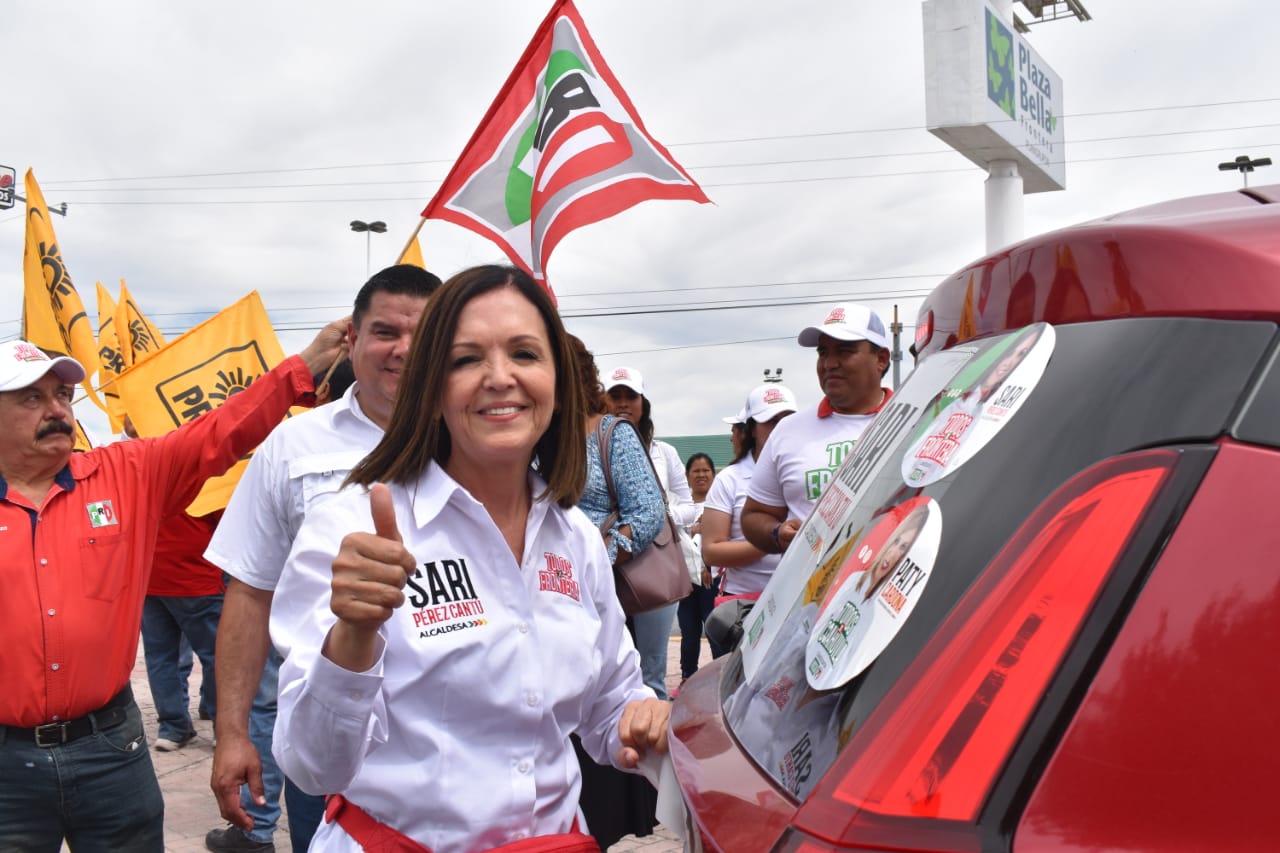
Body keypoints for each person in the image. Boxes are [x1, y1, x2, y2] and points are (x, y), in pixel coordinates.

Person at [271, 264, 669, 852]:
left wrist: (646, 720)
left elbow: (611, 703)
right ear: (431, 390)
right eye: (466, 360)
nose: (499, 378)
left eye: (526, 354)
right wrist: (352, 639)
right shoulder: (352, 528)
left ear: (557, 383)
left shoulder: (576, 538)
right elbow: (311, 767)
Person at [0, 328, 342, 853]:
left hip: (110, 751)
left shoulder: (126, 473)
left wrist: (309, 362)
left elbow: (220, 431)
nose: (58, 410)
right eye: (32, 398)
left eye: (62, 395)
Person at [205, 264, 441, 853]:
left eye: (424, 333)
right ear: (352, 341)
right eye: (385, 331)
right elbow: (250, 590)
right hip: (328, 731)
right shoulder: (294, 445)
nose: (404, 350)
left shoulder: (482, 440)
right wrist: (232, 734)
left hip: (457, 738)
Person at [569, 334, 666, 850]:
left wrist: (590, 562)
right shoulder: (529, 434)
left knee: (609, 698)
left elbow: (646, 512)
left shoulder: (610, 432)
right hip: (544, 600)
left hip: (604, 589)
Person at [741, 303, 893, 555]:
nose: (829, 363)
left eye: (845, 351)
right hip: (811, 591)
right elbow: (754, 515)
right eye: (823, 352)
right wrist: (777, 533)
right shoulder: (788, 431)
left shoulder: (914, 420)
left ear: (881, 359)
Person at [603, 366, 698, 699]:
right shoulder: (591, 446)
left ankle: (651, 747)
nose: (623, 403)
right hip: (606, 566)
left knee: (652, 676)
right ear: (603, 400)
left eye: (631, 396)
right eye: (616, 395)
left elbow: (689, 506)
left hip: (653, 566)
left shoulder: (664, 452)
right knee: (607, 672)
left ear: (644, 403)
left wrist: (656, 516)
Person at [702, 383, 798, 603]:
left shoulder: (807, 471)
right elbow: (711, 551)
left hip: (800, 597)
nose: (780, 428)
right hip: (744, 601)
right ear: (752, 428)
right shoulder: (729, 480)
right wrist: (773, 539)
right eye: (771, 421)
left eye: (787, 420)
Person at [676, 452, 721, 685]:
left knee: (714, 630)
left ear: (714, 475)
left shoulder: (718, 504)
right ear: (687, 476)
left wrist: (708, 565)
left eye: (706, 471)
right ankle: (687, 679)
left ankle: (718, 680)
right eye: (696, 471)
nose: (701, 475)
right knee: (689, 632)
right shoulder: (680, 508)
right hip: (686, 582)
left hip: (710, 580)